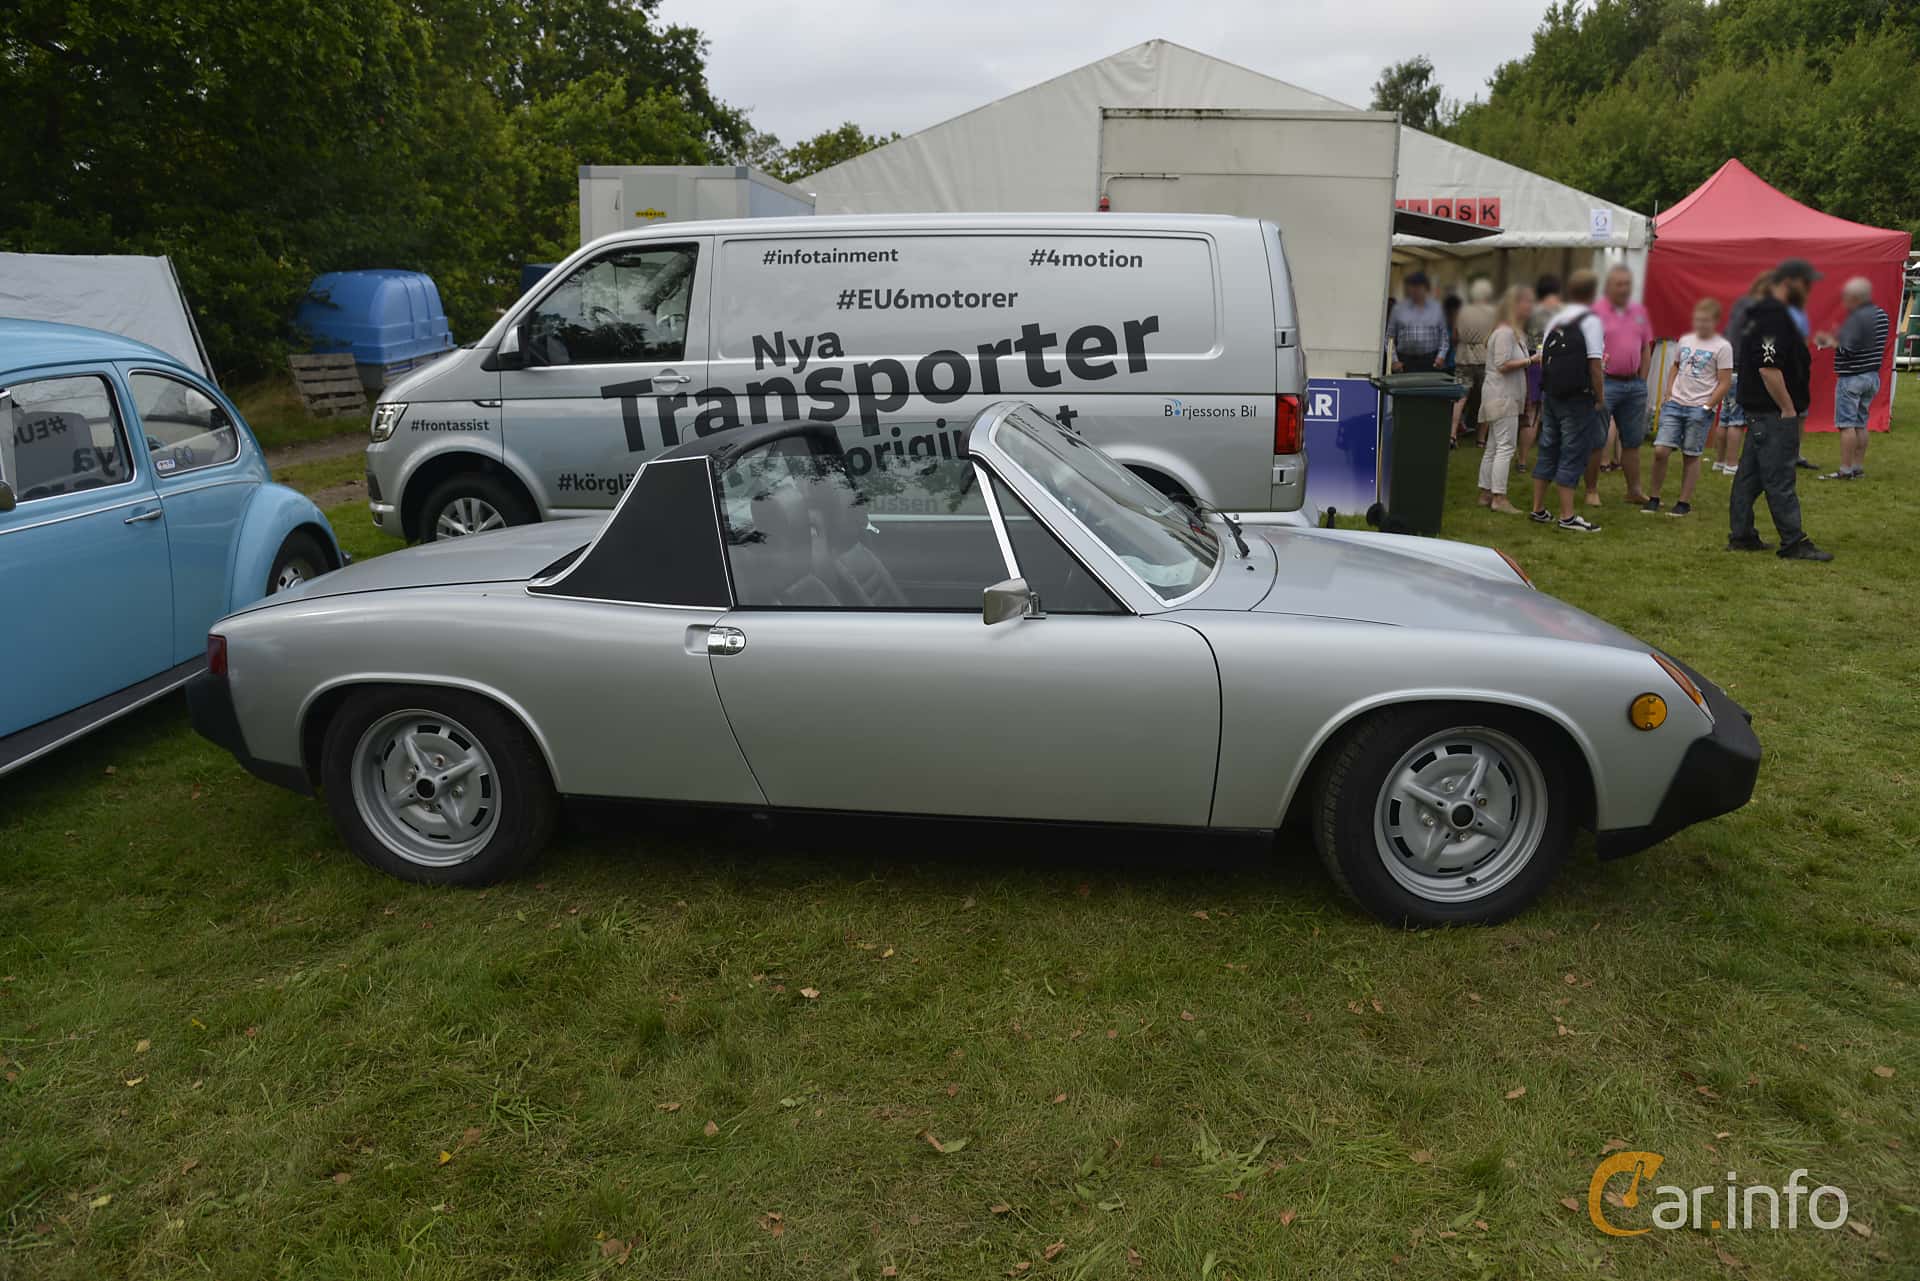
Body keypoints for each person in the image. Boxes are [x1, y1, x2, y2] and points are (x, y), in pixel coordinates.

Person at [1728, 259, 1832, 561]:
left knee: (1750, 478)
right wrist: (1787, 408)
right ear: (1789, 283)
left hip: (1761, 412)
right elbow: (1768, 367)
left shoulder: (1763, 314)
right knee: (1780, 477)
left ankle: (1742, 534)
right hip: (1772, 413)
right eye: (1806, 282)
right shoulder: (1773, 318)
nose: (1810, 289)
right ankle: (1793, 541)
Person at [1529, 269, 1606, 533]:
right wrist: (1600, 397)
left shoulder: (1557, 319)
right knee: (1573, 451)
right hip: (1576, 396)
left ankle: (1538, 508)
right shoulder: (1591, 321)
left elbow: (1543, 357)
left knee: (1548, 446)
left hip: (1551, 393)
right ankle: (1567, 515)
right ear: (1593, 293)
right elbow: (1594, 364)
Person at [1642, 299, 1732, 518]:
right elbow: (1675, 366)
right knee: (1661, 450)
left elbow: (1724, 381)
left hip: (1699, 407)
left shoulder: (1723, 347)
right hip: (1675, 403)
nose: (1701, 324)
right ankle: (1654, 497)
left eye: (1706, 321)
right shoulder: (1685, 340)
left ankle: (1683, 502)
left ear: (1715, 322)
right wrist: (1668, 392)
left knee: (1691, 454)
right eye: (1698, 320)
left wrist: (1708, 405)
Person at [1587, 265, 1654, 506]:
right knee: (1597, 439)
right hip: (1607, 383)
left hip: (1633, 385)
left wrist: (1642, 381)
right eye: (1619, 284)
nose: (1624, 288)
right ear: (1608, 286)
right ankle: (1591, 490)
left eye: (1628, 284)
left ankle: (1634, 490)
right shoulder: (1596, 312)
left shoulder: (1639, 312)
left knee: (1633, 441)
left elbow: (1646, 347)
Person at [1819, 276, 1889, 480]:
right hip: (1872, 376)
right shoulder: (1882, 315)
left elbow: (1848, 349)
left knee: (1846, 425)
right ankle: (1857, 467)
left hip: (1852, 378)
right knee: (1861, 423)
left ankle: (1845, 470)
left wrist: (1831, 341)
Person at [1477, 285, 1535, 513]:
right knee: (1505, 447)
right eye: (1527, 302)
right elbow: (1502, 364)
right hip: (1502, 396)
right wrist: (1532, 360)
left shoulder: (1510, 331)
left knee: (1493, 445)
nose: (1531, 307)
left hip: (1501, 395)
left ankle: (1485, 493)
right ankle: (1499, 498)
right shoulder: (1505, 333)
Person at [1712, 272, 1772, 475]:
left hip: (1726, 368)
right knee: (1737, 420)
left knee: (1724, 417)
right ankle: (1731, 464)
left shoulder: (1741, 304)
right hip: (1742, 369)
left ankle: (1719, 461)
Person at [1521, 274, 1562, 472]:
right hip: (1555, 364)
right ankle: (1550, 460)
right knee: (1554, 414)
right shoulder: (1561, 313)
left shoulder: (1531, 312)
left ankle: (1522, 460)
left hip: (1532, 361)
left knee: (1532, 413)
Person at [1454, 279, 1499, 446]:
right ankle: (1481, 439)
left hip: (1463, 357)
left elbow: (1456, 335)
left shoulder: (1462, 311)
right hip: (1485, 358)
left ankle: (1452, 436)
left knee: (1459, 398)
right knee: (1487, 399)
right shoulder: (1494, 312)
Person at [1385, 271, 1449, 373]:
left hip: (1430, 362)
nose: (1416, 290)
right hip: (1405, 362)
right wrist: (1394, 360)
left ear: (1426, 288)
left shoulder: (1436, 309)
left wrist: (1441, 356)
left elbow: (1444, 337)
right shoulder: (1398, 309)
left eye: (1419, 286)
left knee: (1427, 389)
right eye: (1413, 286)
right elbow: (1389, 338)